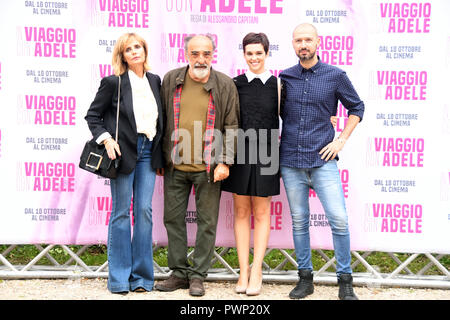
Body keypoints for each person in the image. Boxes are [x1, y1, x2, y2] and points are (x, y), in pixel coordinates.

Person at [279, 23, 364, 300]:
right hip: (291, 160)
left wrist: (341, 140)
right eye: (298, 40)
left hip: (322, 160)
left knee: (338, 220)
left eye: (308, 40)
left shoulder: (335, 75)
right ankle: (305, 279)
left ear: (318, 42)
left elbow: (357, 107)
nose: (303, 44)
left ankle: (345, 280)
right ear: (293, 44)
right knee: (299, 221)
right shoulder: (285, 78)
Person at [154, 34, 240, 297]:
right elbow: (161, 120)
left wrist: (225, 160)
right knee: (172, 219)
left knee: (207, 222)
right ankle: (179, 273)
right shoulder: (171, 79)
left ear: (213, 54)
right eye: (195, 54)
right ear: (186, 54)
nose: (200, 59)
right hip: (175, 166)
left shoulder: (224, 84)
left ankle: (198, 276)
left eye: (206, 53)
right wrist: (161, 158)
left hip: (209, 168)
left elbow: (232, 125)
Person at [85, 33, 164, 294]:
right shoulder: (113, 82)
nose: (134, 52)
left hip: (148, 151)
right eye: (128, 49)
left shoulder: (155, 81)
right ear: (122, 55)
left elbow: (158, 121)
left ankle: (141, 277)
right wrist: (106, 140)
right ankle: (119, 279)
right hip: (121, 153)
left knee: (144, 212)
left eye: (138, 47)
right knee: (121, 213)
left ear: (145, 50)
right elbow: (93, 115)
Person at [221, 33, 280, 296]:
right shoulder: (235, 84)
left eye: (259, 53)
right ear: (243, 54)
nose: (254, 58)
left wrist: (330, 119)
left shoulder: (279, 86)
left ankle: (257, 271)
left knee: (262, 212)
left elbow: (295, 115)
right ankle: (243, 271)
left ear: (267, 53)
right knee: (241, 211)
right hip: (241, 152)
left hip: (268, 152)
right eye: (249, 53)